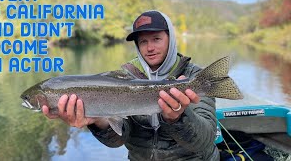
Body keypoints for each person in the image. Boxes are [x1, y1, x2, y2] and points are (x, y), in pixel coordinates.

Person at [42, 10, 220, 160]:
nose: (149, 47)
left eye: (156, 39)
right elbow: (118, 140)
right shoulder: (124, 79)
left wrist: (178, 118)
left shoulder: (196, 78)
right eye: (143, 41)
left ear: (171, 39)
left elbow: (206, 139)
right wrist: (98, 119)